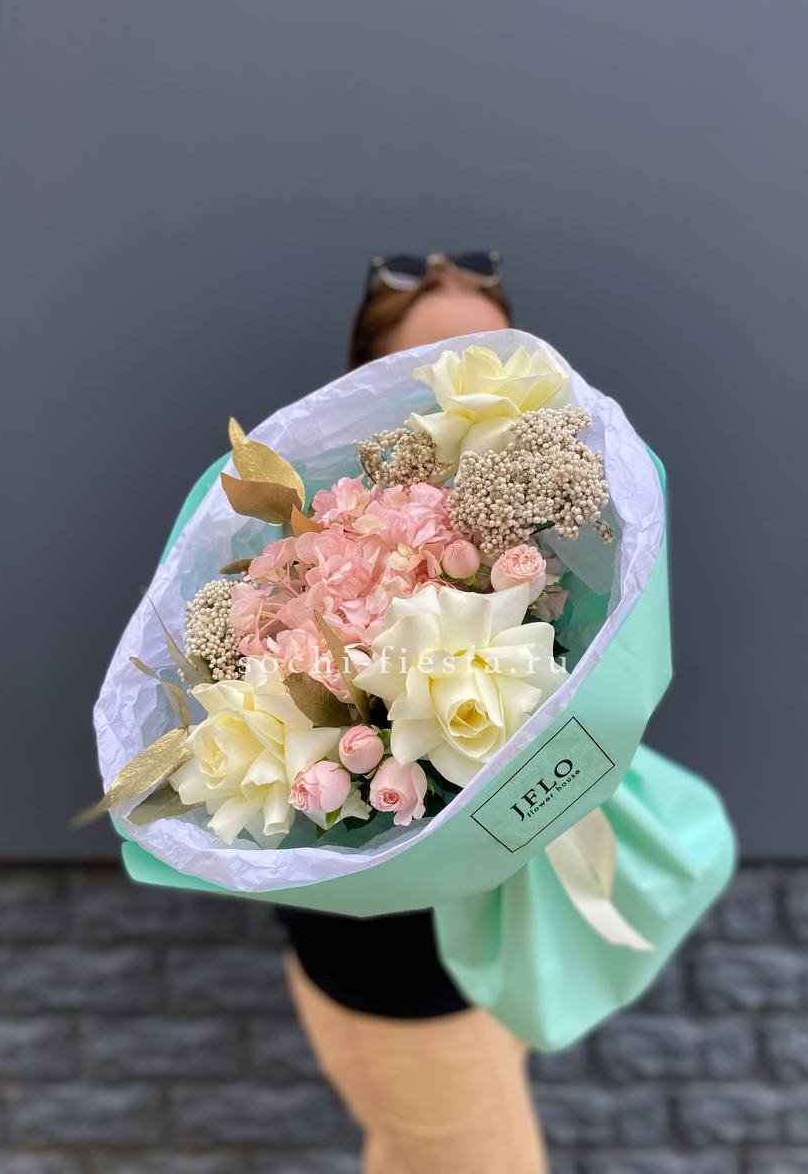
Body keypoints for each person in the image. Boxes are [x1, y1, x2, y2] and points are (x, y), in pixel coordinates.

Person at [277, 251, 550, 1174]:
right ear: (366, 382)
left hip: (496, 946)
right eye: (431, 373)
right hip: (395, 971)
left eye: (493, 364)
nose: (470, 402)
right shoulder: (307, 533)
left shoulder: (551, 525)